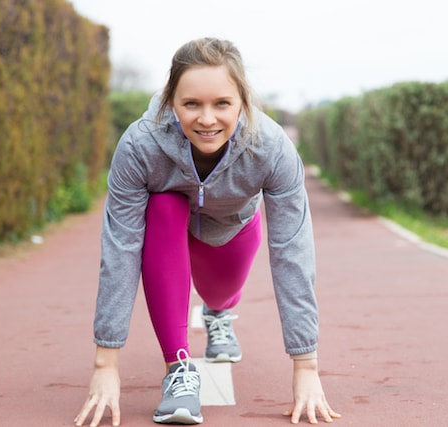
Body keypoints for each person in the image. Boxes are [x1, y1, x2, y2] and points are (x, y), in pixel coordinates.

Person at [74, 37, 340, 426]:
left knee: (220, 293)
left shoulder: (270, 147)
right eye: (191, 104)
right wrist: (104, 363)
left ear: (242, 102)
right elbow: (120, 247)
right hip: (169, 236)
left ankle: (219, 314)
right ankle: (179, 369)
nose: (207, 118)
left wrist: (306, 367)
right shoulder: (140, 144)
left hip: (231, 232)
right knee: (165, 203)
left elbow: (292, 250)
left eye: (222, 104)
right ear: (170, 101)